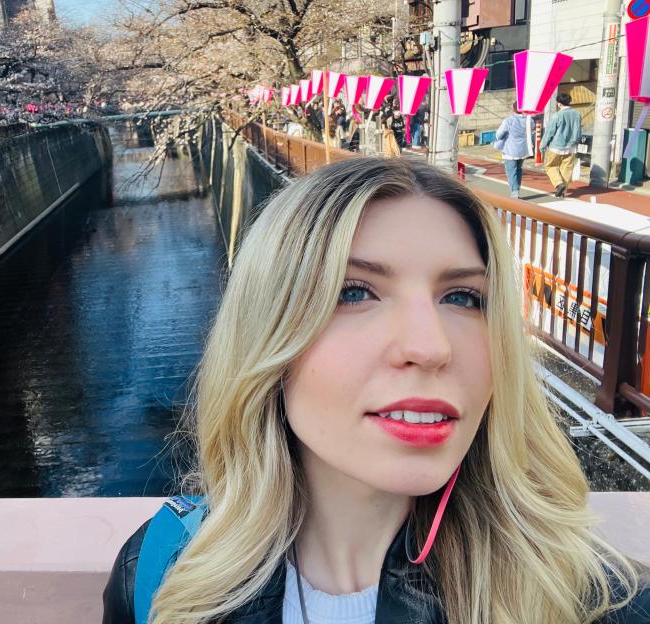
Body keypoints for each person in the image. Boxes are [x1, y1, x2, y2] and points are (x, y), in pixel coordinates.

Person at [103, 157, 650, 624]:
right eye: (355, 291)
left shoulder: (598, 603)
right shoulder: (159, 577)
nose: (430, 347)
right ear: (266, 333)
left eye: (462, 298)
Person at [541, 92, 581, 198]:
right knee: (566, 169)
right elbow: (578, 131)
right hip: (571, 147)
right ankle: (562, 191)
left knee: (550, 166)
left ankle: (559, 184)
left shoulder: (557, 116)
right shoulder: (577, 114)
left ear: (559, 104)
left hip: (556, 146)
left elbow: (549, 132)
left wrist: (543, 145)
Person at [493, 102, 533, 198]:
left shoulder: (509, 120)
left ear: (513, 109)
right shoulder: (529, 120)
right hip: (523, 149)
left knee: (511, 171)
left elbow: (498, 134)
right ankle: (517, 190)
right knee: (518, 169)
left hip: (510, 150)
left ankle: (515, 193)